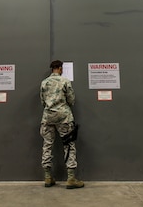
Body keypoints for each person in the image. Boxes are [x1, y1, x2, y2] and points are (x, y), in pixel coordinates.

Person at [40, 60, 84, 189]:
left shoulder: (44, 82)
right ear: (60, 68)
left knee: (47, 145)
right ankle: (71, 178)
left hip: (48, 117)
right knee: (69, 145)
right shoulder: (65, 81)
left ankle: (48, 177)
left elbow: (43, 101)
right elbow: (71, 100)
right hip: (64, 117)